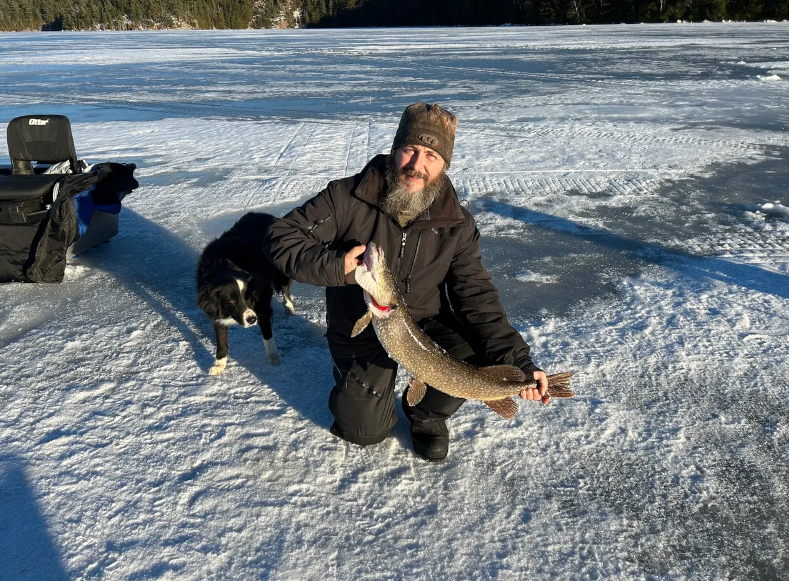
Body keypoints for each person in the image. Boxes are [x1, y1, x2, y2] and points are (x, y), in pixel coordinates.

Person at [264, 103, 548, 462]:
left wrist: (519, 365)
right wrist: (341, 270)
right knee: (363, 432)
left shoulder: (457, 223)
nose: (417, 165)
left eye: (431, 155)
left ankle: (426, 416)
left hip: (427, 324)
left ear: (444, 164)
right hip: (360, 325)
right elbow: (280, 237)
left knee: (471, 363)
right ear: (395, 151)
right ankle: (356, 391)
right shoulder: (346, 197)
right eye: (410, 150)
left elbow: (476, 295)